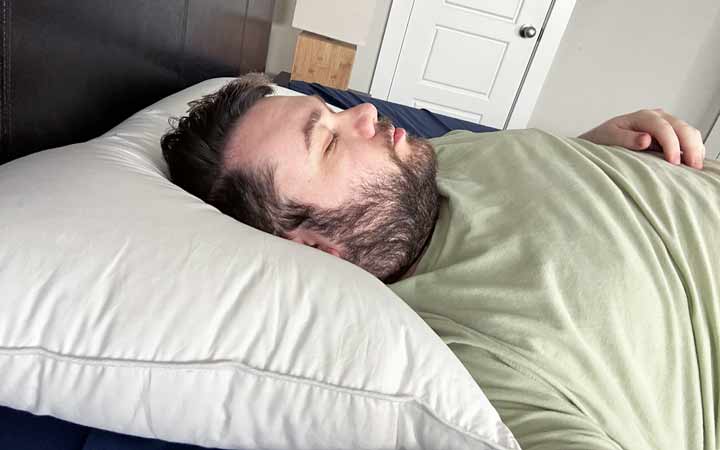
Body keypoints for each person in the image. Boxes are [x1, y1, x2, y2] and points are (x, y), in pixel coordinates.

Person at [161, 73, 719, 450]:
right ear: (310, 248)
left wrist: (591, 151)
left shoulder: (420, 167)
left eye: (329, 112)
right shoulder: (464, 364)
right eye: (328, 143)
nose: (364, 111)